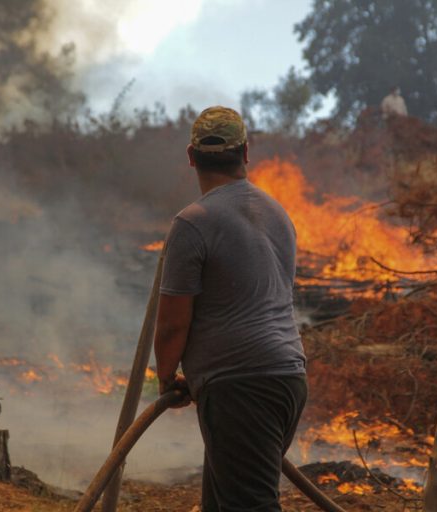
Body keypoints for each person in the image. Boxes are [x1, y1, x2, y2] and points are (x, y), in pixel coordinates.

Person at [154, 106, 307, 511]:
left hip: (241, 385)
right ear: (246, 152)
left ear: (191, 156)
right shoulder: (279, 215)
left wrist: (167, 377)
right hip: (288, 378)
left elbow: (173, 324)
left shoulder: (192, 224)